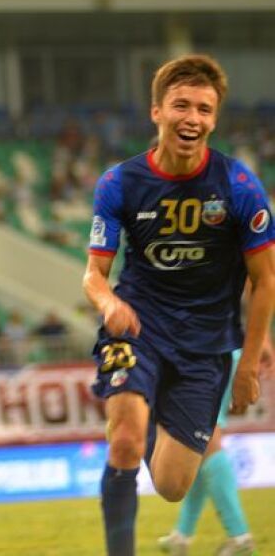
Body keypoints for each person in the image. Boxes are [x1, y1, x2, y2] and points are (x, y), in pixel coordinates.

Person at [82, 54, 275, 556]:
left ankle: (146, 411)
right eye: (181, 106)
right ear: (157, 113)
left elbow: (265, 281)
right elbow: (93, 274)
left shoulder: (239, 186)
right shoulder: (120, 183)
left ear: (215, 119)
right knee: (125, 440)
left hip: (206, 346)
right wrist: (107, 303)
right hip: (137, 328)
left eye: (204, 109)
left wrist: (248, 364)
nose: (192, 118)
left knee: (171, 484)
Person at [158, 324, 274, 555]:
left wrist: (261, 339)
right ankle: (182, 534)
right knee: (198, 447)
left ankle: (240, 537)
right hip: (214, 347)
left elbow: (259, 299)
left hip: (208, 351)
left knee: (208, 440)